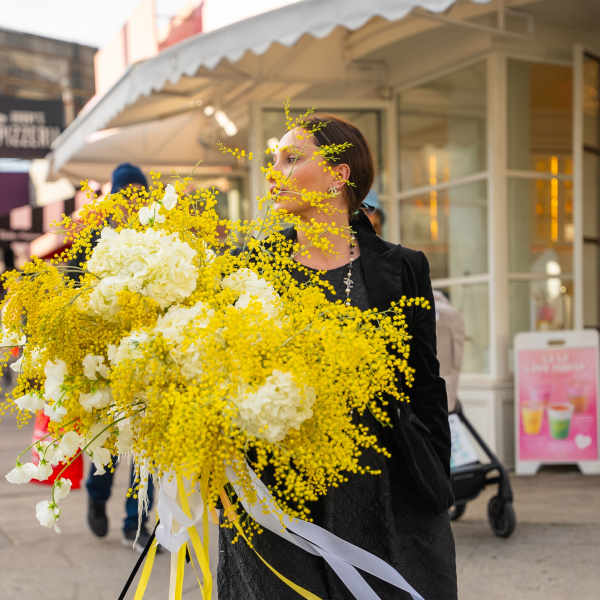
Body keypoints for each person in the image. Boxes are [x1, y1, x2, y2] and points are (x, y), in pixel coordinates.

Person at [218, 115, 456, 599]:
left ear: (338, 175)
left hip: (383, 489)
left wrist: (434, 480)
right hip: (279, 493)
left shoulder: (402, 267)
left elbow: (425, 385)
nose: (273, 172)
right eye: (274, 159)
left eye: (291, 158)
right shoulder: (250, 268)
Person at [72, 163, 158, 553]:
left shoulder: (157, 239)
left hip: (150, 355)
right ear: (114, 199)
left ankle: (135, 524)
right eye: (127, 195)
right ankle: (97, 493)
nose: (133, 203)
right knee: (107, 438)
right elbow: (72, 291)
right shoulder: (92, 240)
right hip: (105, 357)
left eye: (140, 195)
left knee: (148, 447)